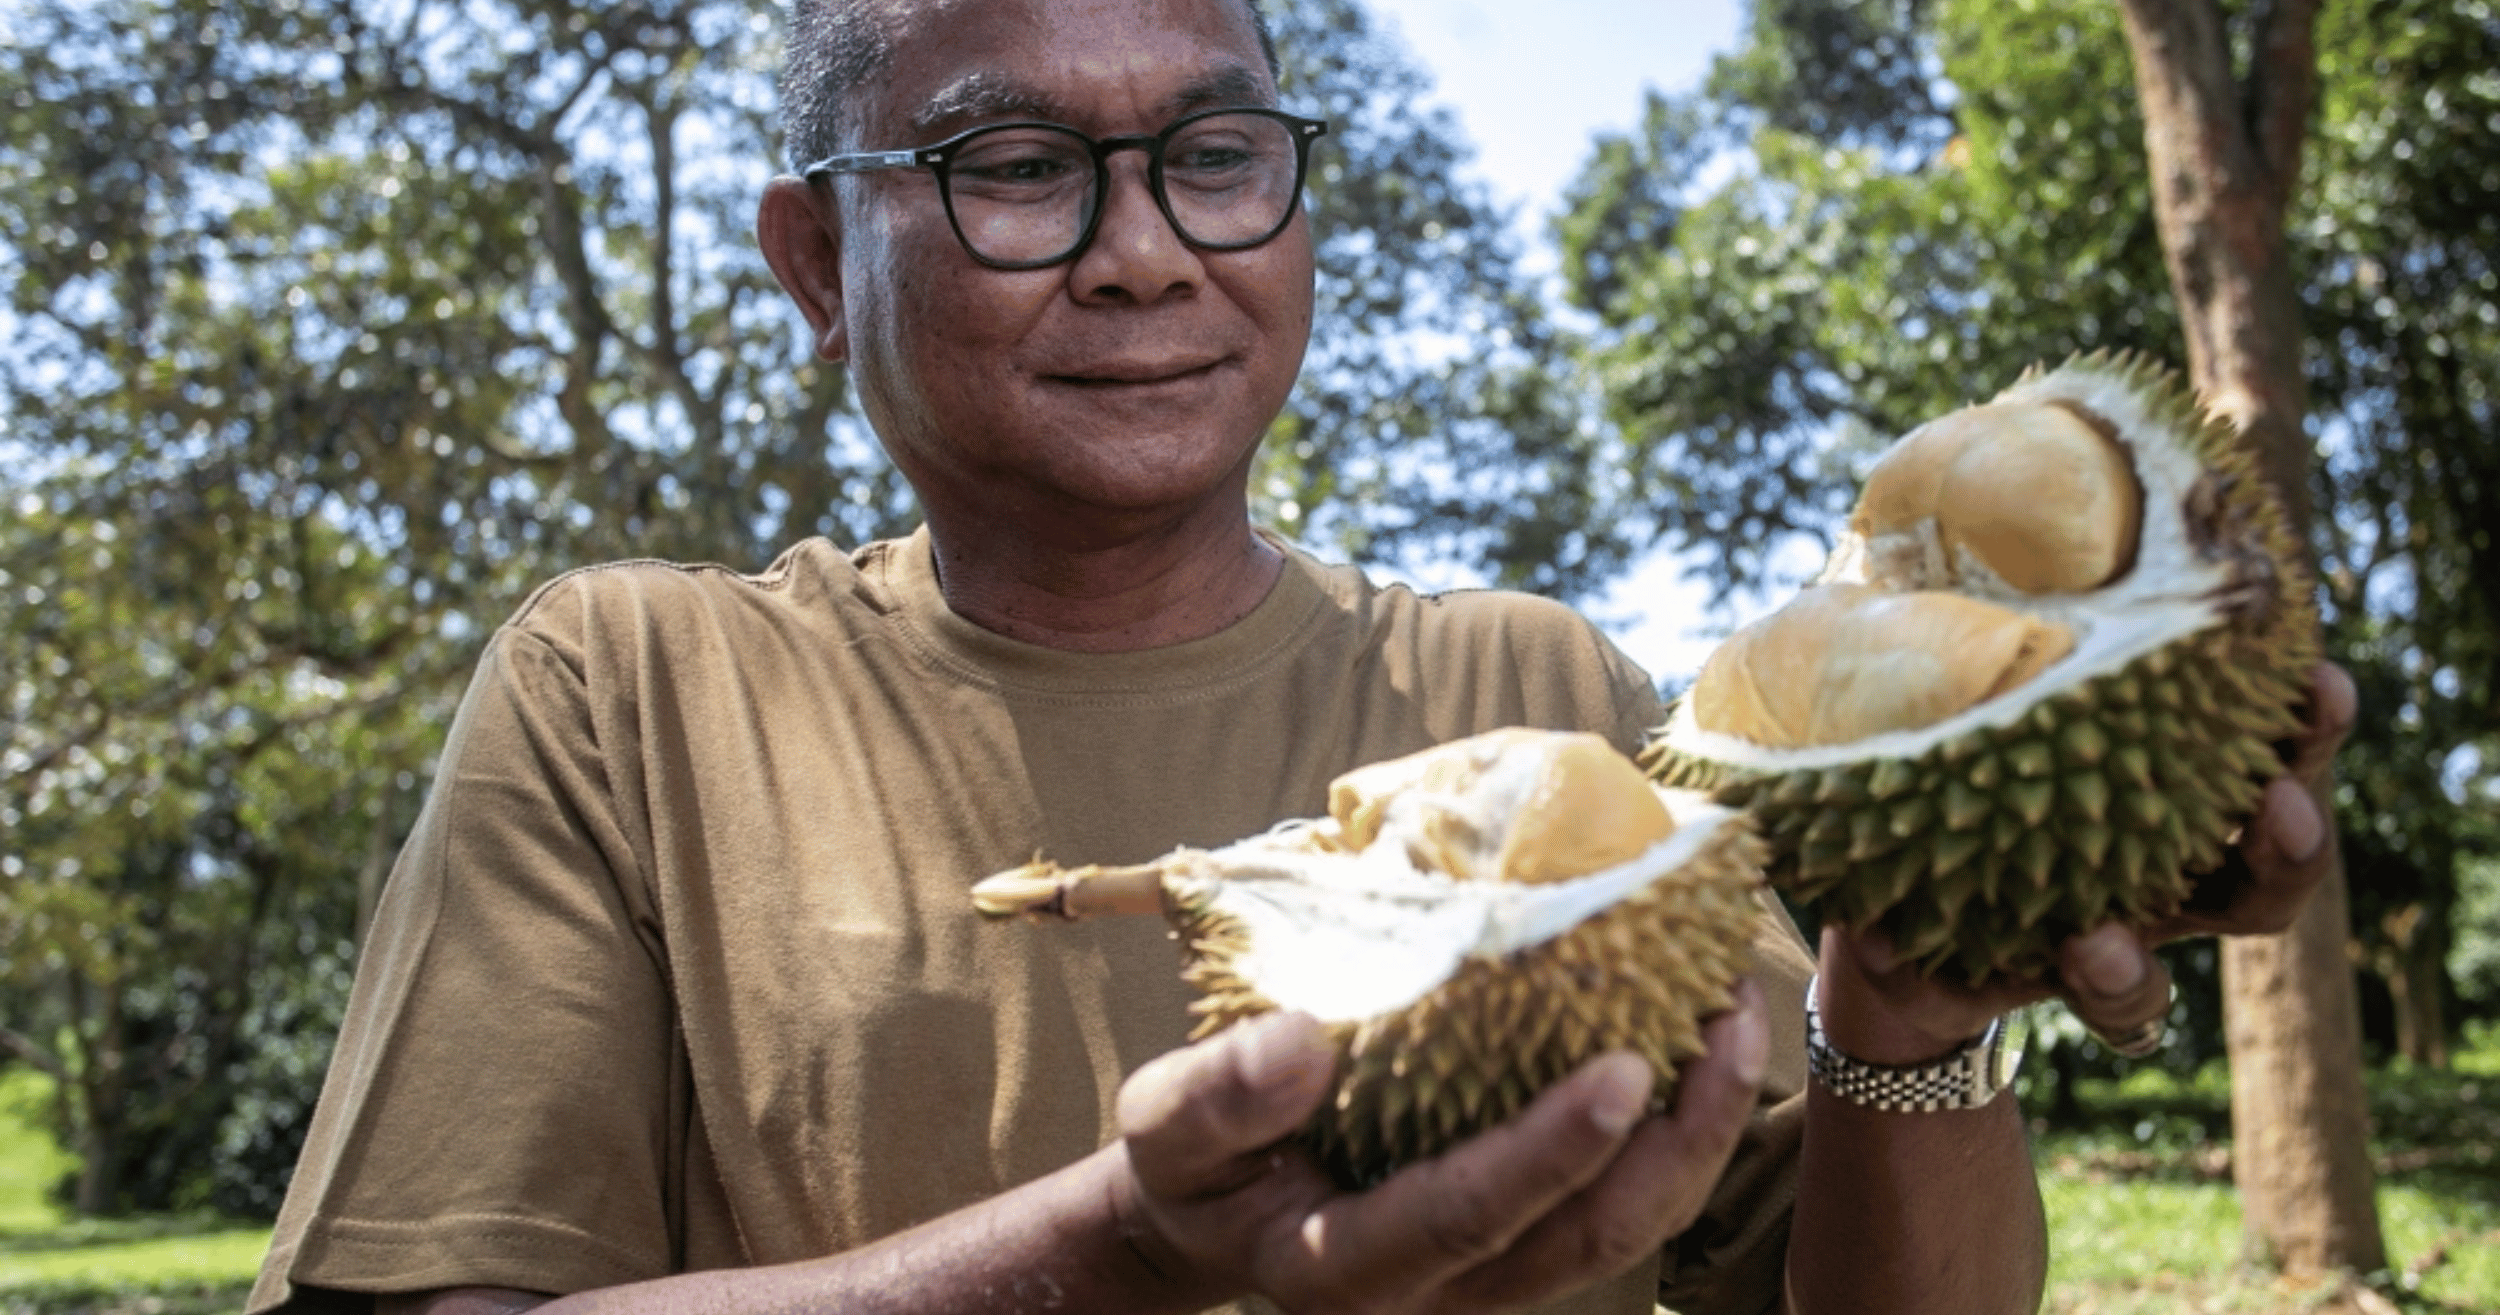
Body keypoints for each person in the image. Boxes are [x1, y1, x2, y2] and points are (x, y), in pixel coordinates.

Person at [246, 0, 2356, 1312]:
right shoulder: (630, 688)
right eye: (1014, 169)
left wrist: (1899, 1007)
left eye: (1215, 154)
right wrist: (1114, 1256)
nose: (1146, 244)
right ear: (818, 256)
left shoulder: (1542, 692)